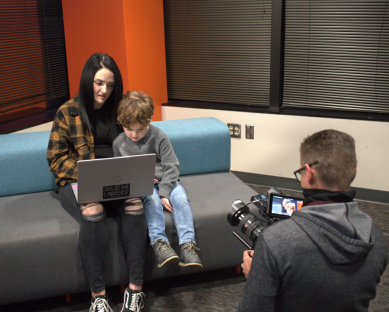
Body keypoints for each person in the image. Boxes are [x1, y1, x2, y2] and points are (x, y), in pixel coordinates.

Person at [239, 129, 388, 312]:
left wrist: (257, 275)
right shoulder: (377, 239)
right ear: (354, 171)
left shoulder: (276, 241)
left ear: (309, 173)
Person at [47, 53, 147, 312]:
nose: (105, 90)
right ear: (88, 79)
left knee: (135, 204)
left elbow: (142, 139)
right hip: (78, 181)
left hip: (116, 179)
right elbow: (56, 161)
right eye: (99, 83)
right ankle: (98, 297)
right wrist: (89, 173)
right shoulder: (67, 111)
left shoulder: (122, 108)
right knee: (93, 210)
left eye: (111, 85)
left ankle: (135, 290)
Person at [113, 90, 203, 269]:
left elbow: (172, 166)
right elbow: (122, 172)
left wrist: (165, 193)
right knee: (152, 201)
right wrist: (144, 182)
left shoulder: (158, 136)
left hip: (167, 180)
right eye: (128, 129)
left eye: (140, 129)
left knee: (181, 199)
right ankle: (160, 245)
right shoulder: (118, 143)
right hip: (142, 185)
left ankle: (187, 246)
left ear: (148, 122)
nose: (134, 134)